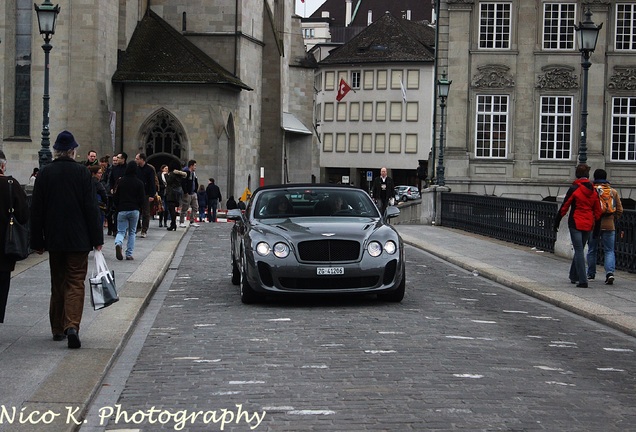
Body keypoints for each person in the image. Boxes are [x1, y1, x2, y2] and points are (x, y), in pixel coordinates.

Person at [30, 130, 104, 349]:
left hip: (54, 238)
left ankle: (56, 328)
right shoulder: (82, 174)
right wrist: (97, 238)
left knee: (58, 282)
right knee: (75, 282)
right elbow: (91, 209)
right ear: (72, 152)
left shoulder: (45, 173)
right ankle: (72, 326)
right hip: (79, 239)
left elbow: (37, 210)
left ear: (56, 151)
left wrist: (37, 242)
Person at [554, 164, 602, 288]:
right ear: (587, 175)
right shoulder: (593, 190)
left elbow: (565, 206)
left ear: (577, 174)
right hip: (589, 223)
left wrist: (557, 221)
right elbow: (597, 210)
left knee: (579, 250)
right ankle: (573, 275)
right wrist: (597, 228)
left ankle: (583, 280)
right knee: (580, 248)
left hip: (575, 222)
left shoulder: (574, 188)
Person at [0, 150, 29, 324]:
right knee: (2, 283)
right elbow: (24, 215)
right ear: (3, 166)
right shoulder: (11, 184)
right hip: (5, 244)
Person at [587, 169, 623, 285]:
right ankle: (609, 273)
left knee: (592, 250)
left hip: (594, 225)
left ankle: (591, 274)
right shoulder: (612, 192)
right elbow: (620, 210)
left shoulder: (591, 190)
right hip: (609, 224)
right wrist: (613, 218)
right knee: (609, 251)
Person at [113, 161, 145, 261]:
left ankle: (118, 243)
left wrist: (118, 206)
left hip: (122, 209)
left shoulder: (121, 181)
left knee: (121, 231)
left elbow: (116, 196)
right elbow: (142, 199)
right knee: (132, 232)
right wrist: (139, 207)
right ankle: (129, 254)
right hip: (134, 209)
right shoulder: (139, 183)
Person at [134, 153, 157, 238]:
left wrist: (152, 194)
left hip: (146, 193)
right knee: (136, 211)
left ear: (142, 159)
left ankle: (144, 230)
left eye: (137, 158)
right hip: (136, 193)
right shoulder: (136, 169)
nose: (136, 160)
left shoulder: (149, 169)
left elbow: (152, 183)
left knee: (146, 212)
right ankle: (138, 227)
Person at [165, 162, 187, 231]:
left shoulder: (172, 174)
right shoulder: (179, 175)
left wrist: (166, 175)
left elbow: (168, 181)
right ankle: (173, 224)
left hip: (171, 194)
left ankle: (173, 224)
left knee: (171, 210)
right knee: (173, 210)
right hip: (177, 194)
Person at [179, 160, 200, 228]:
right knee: (185, 208)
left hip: (193, 192)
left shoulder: (193, 173)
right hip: (188, 193)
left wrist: (196, 190)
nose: (195, 167)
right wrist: (185, 192)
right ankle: (181, 222)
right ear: (191, 166)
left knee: (195, 207)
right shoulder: (186, 172)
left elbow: (195, 182)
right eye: (194, 166)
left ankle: (192, 221)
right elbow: (183, 183)